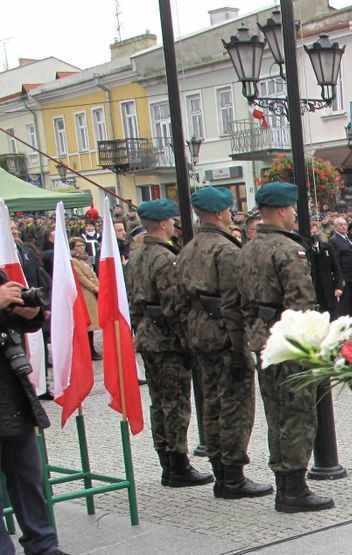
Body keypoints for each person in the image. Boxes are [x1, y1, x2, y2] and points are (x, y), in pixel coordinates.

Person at [238, 182, 334, 512]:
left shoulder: (249, 247)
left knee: (276, 412)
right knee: (298, 413)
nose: (295, 213)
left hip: (262, 340)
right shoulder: (288, 249)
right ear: (281, 210)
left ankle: (284, 483)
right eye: (292, 208)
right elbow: (301, 304)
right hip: (289, 342)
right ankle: (294, 488)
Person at [176, 186, 271, 500]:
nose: (232, 214)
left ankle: (221, 470)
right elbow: (235, 302)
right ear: (219, 214)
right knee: (235, 406)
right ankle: (233, 476)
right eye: (229, 210)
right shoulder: (227, 251)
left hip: (200, 334)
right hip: (224, 336)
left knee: (212, 402)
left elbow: (179, 299)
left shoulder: (188, 248)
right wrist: (240, 342)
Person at [124, 199, 214, 489]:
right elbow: (174, 304)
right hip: (167, 341)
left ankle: (167, 459)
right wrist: (188, 338)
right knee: (175, 402)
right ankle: (178, 463)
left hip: (148, 337)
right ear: (163, 224)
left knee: (159, 402)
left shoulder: (137, 254)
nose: (175, 224)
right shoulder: (163, 257)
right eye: (172, 221)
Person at [0, 275, 79, 555]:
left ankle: (42, 545)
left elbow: (16, 320)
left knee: (28, 475)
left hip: (10, 392)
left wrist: (26, 313)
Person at [68, 237, 101, 360]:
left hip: (92, 293)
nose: (81, 248)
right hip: (85, 294)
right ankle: (89, 351)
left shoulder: (85, 259)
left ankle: (92, 349)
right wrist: (94, 287)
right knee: (87, 324)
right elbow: (82, 278)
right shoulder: (74, 261)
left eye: (82, 245)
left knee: (92, 325)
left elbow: (93, 274)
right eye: (78, 246)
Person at [328, 217, 352, 317]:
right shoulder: (334, 240)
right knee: (345, 306)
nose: (344, 226)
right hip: (346, 276)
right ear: (335, 227)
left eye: (345, 224)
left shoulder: (347, 237)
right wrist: (340, 278)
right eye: (341, 225)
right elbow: (336, 260)